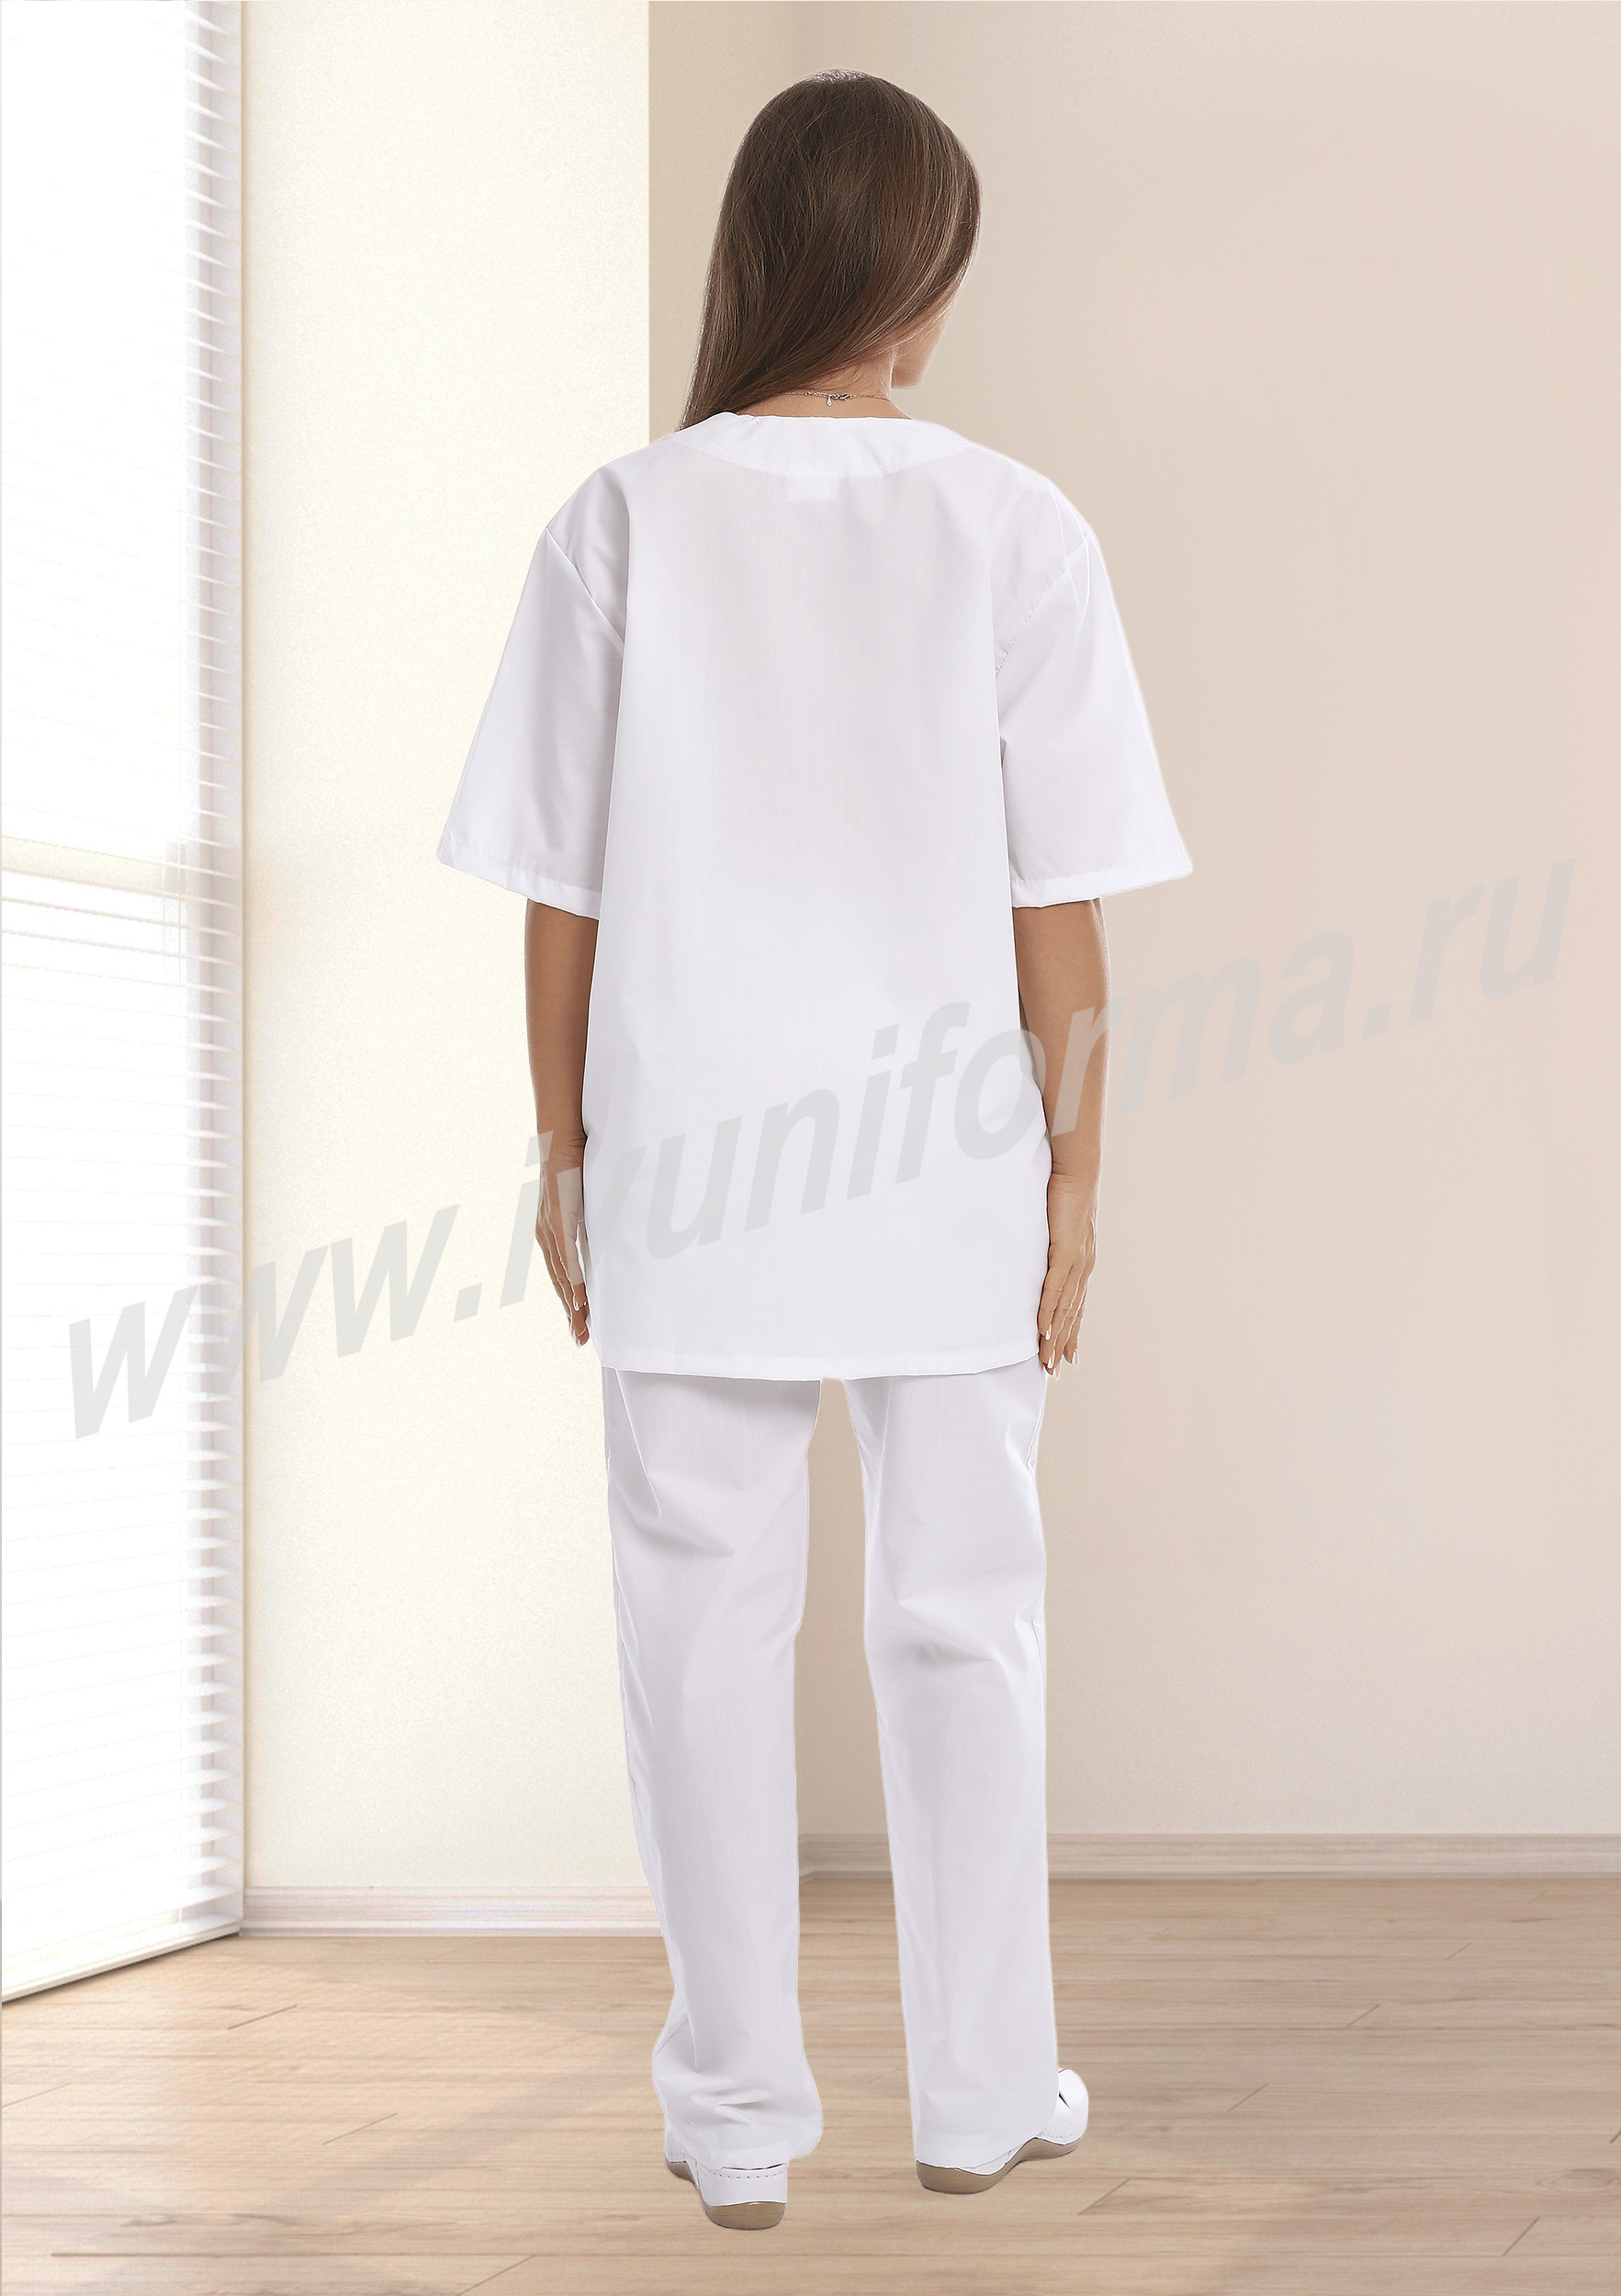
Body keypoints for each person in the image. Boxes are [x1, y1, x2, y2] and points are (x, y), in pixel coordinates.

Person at [437, 70, 1190, 2234]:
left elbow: (560, 895)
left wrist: (563, 1153)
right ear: (915, 278)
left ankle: (737, 2110)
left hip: (688, 1153)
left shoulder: (620, 520)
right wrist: (1073, 1183)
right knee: (967, 1617)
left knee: (693, 1628)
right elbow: (1060, 916)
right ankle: (979, 2091)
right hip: (948, 1160)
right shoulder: (1015, 526)